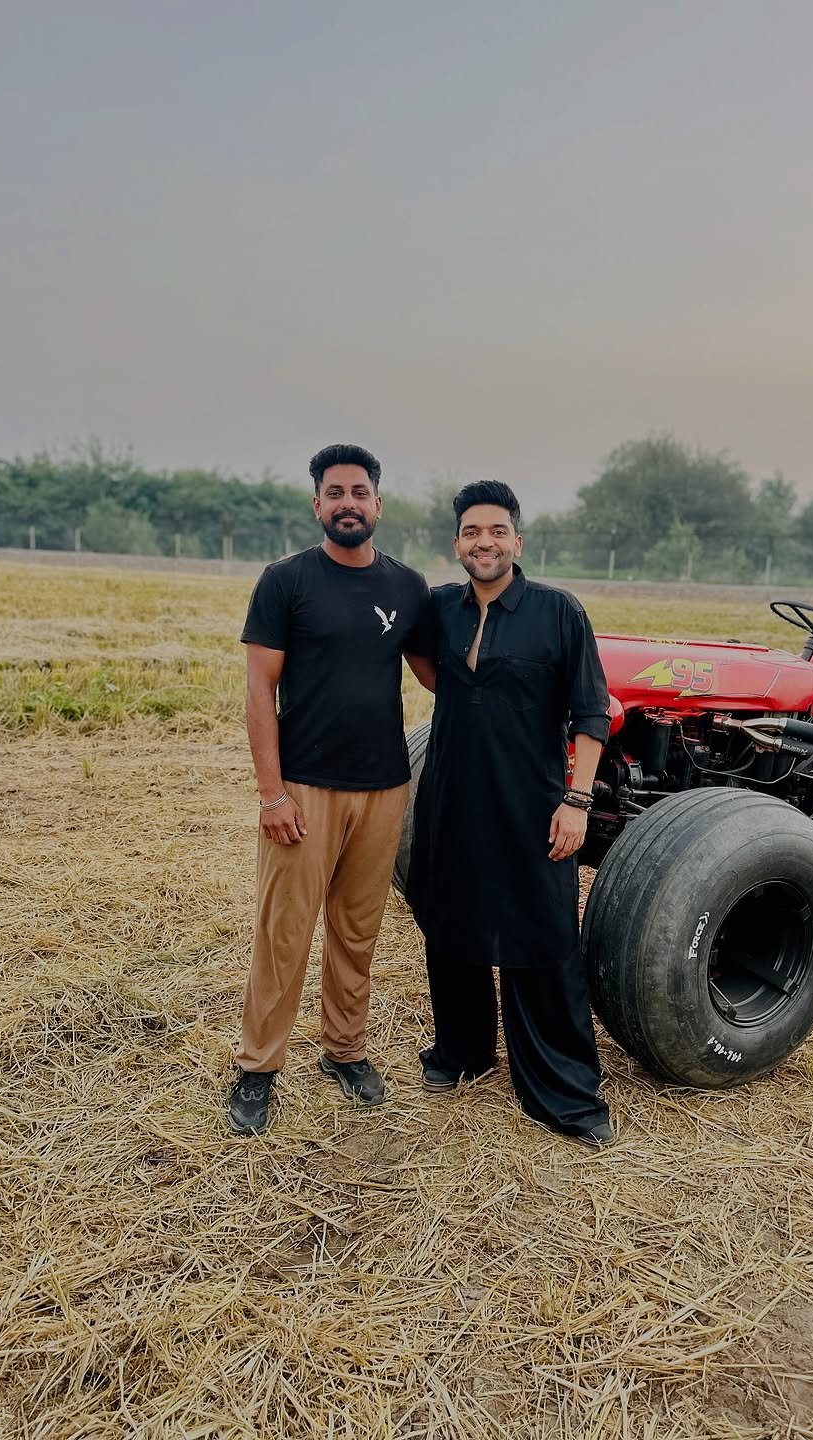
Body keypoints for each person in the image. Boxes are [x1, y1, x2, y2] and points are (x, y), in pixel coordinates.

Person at [228, 443, 435, 1136]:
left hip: (384, 787)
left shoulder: (406, 587)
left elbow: (437, 675)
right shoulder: (286, 582)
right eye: (335, 493)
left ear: (378, 503)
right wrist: (271, 793)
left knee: (357, 930)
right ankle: (258, 1066)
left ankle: (344, 1051)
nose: (348, 503)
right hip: (304, 787)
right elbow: (259, 690)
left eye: (359, 492)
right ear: (317, 504)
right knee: (283, 932)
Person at [406, 480, 614, 1148]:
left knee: (543, 936)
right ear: (456, 544)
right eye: (471, 532)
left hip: (533, 801)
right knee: (451, 920)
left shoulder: (557, 611)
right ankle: (463, 1052)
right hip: (451, 794)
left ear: (517, 541)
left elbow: (591, 711)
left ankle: (564, 1092)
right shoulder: (440, 607)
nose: (484, 542)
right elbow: (425, 663)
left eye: (496, 531)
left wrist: (577, 800)